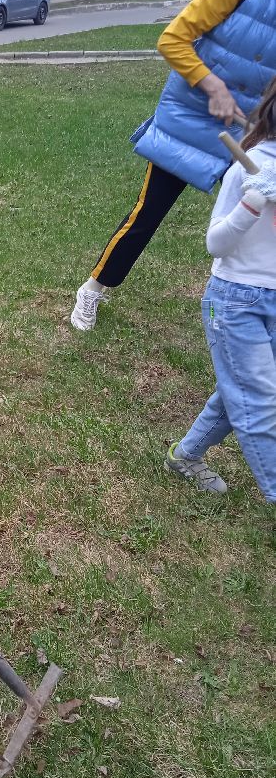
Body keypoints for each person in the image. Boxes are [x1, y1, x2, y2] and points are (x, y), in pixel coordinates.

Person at [70, 0, 276, 331]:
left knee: (262, 219)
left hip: (254, 128)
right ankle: (93, 289)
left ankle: (244, 309)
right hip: (193, 120)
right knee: (148, 214)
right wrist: (211, 85)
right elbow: (173, 39)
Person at [165, 79, 276, 504]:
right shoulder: (247, 166)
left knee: (245, 388)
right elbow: (215, 243)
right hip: (236, 300)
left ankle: (185, 454)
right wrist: (252, 204)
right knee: (259, 400)